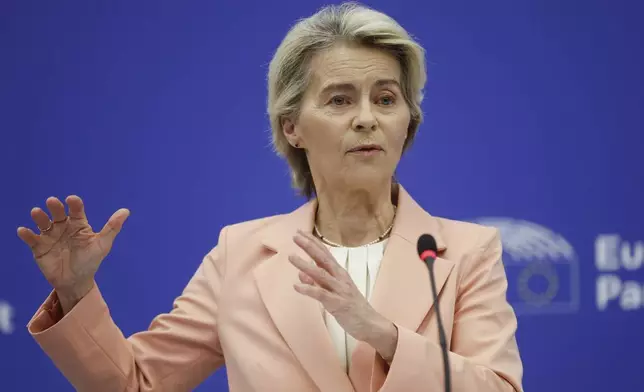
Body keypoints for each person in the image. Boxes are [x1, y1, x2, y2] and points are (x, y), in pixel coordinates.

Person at [19, 3, 523, 391]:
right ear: (292, 126)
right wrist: (76, 292)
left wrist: (382, 334)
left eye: (386, 99)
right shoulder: (240, 255)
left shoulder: (465, 252)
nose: (367, 117)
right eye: (340, 99)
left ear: (407, 121)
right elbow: (136, 383)